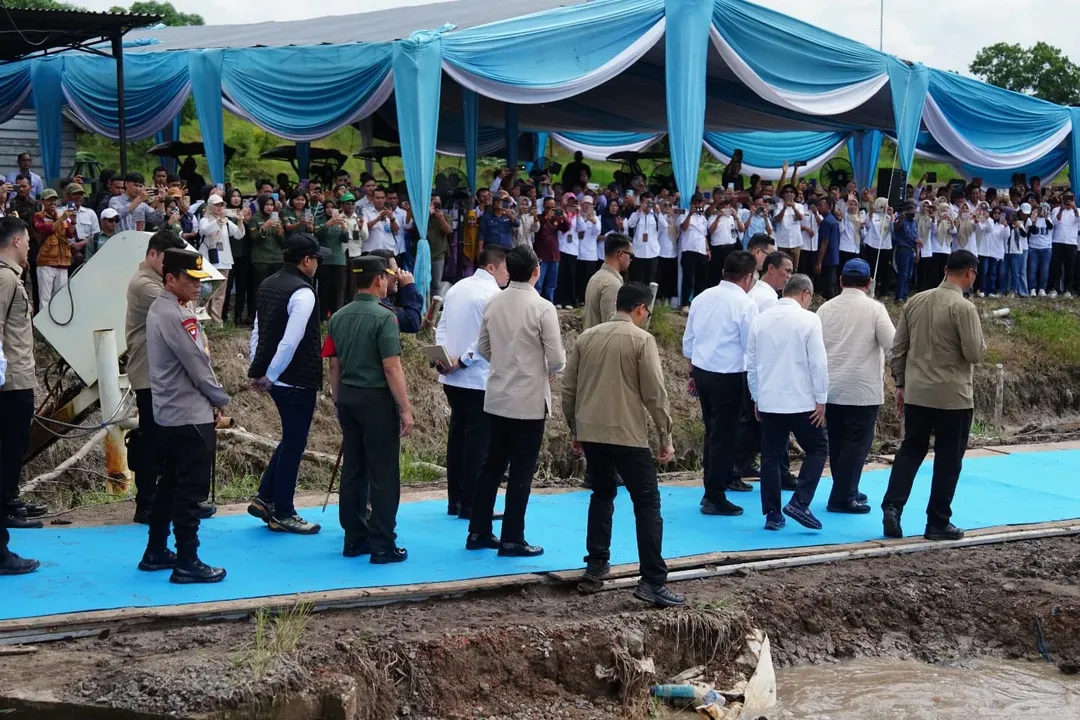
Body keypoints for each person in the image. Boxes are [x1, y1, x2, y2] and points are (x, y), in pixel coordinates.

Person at [563, 282, 683, 608]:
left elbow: (569, 389)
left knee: (601, 494)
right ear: (641, 308)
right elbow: (655, 395)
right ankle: (653, 580)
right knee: (647, 503)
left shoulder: (587, 337)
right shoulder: (641, 340)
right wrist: (666, 436)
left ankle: (596, 564)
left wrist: (575, 428)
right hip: (628, 434)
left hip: (592, 432)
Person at [467, 246, 565, 557]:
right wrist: (544, 368)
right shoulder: (543, 307)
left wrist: (506, 361)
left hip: (498, 395)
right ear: (536, 270)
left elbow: (483, 348)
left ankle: (478, 531)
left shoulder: (494, 302)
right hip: (528, 399)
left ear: (508, 271)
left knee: (491, 465)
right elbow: (557, 358)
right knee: (521, 471)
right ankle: (512, 538)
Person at [140, 248, 230, 584]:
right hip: (190, 413)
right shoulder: (177, 316)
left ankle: (156, 550)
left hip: (169, 412)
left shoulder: (162, 308)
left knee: (168, 485)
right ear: (170, 279)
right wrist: (220, 398)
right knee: (190, 491)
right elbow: (197, 365)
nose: (198, 286)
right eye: (191, 279)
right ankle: (187, 560)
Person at [883, 249, 985, 542]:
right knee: (948, 459)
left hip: (917, 393)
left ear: (945, 269)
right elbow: (973, 353)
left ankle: (892, 507)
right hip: (953, 395)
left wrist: (901, 383)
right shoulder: (964, 307)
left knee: (910, 450)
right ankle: (937, 521)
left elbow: (898, 349)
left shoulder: (916, 301)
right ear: (970, 273)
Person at [324, 254, 413, 564]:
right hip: (376, 400)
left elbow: (333, 364)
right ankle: (383, 544)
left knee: (354, 469)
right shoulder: (384, 317)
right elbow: (392, 367)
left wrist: (338, 399)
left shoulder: (338, 316)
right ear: (379, 279)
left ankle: (354, 538)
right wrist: (405, 408)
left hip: (348, 398)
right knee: (383, 473)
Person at [247, 234, 330, 534]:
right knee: (295, 443)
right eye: (317, 258)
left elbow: (258, 330)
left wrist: (258, 368)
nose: (318, 264)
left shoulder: (268, 283)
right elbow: (290, 341)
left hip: (276, 374)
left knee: (291, 438)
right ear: (306, 260)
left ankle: (266, 497)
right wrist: (270, 374)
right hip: (295, 377)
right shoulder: (303, 292)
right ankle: (284, 511)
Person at [125, 228, 202, 525]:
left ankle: (170, 501)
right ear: (153, 254)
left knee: (169, 441)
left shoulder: (158, 282)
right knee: (152, 441)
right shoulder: (146, 285)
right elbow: (182, 306)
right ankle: (147, 504)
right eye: (167, 261)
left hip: (164, 373)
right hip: (149, 373)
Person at [747, 274, 829, 531]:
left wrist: (756, 397)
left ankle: (772, 513)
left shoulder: (760, 320)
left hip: (770, 399)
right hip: (801, 400)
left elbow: (751, 364)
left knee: (770, 457)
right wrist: (821, 398)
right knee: (818, 448)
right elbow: (818, 363)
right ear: (806, 294)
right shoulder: (809, 319)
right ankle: (800, 501)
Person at [435, 245, 509, 520]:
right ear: (491, 267)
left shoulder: (456, 288)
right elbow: (486, 339)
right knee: (478, 443)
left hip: (452, 377)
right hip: (477, 378)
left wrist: (443, 356)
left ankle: (455, 500)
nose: (508, 274)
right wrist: (463, 360)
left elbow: (442, 326)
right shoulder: (494, 295)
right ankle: (473, 504)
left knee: (457, 439)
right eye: (505, 268)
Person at [683, 251, 758, 517]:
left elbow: (689, 340)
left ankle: (713, 489)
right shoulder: (745, 304)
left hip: (703, 371)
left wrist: (692, 373)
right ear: (748, 278)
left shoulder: (702, 297)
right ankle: (715, 494)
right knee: (724, 437)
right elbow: (751, 346)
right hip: (728, 375)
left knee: (713, 434)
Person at [816, 259, 895, 514]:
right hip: (862, 389)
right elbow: (892, 345)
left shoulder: (825, 309)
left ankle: (846, 487)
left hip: (831, 388)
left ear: (841, 281)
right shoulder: (875, 309)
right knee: (857, 445)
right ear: (869, 283)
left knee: (838, 443)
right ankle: (842, 496)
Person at [0, 216, 45, 542]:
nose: (29, 247)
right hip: (11, 379)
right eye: (28, 241)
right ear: (16, 241)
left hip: (20, 374)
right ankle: (4, 507)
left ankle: (9, 498)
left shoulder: (12, 276)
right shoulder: (5, 279)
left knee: (15, 445)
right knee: (10, 446)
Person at [199, 194, 247, 323]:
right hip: (209, 259)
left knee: (220, 293)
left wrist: (240, 221)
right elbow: (205, 231)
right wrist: (217, 221)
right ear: (210, 206)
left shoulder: (226, 221)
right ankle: (204, 319)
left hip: (224, 260)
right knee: (206, 291)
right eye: (216, 205)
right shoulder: (205, 219)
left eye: (221, 205)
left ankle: (216, 320)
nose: (219, 207)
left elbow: (238, 234)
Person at [32, 188, 76, 311]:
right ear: (42, 202)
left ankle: (58, 321)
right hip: (46, 262)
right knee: (45, 299)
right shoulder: (38, 216)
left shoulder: (62, 216)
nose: (52, 203)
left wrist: (73, 222)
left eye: (54, 200)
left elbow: (70, 234)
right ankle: (42, 323)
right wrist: (62, 219)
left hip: (63, 262)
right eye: (49, 200)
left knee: (60, 298)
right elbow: (47, 229)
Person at [366, 248, 423, 333]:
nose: (398, 277)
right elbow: (412, 323)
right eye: (396, 272)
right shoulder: (382, 307)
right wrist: (409, 287)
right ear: (380, 276)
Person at [583, 233, 632, 330]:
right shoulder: (612, 284)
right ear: (621, 254)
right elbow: (611, 327)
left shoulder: (596, 277)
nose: (631, 260)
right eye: (631, 255)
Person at [250, 194, 286, 292]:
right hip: (261, 259)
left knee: (276, 288)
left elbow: (282, 242)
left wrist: (279, 232)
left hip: (276, 259)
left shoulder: (277, 219)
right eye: (267, 204)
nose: (269, 207)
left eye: (271, 205)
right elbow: (254, 238)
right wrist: (265, 227)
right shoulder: (255, 219)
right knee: (261, 288)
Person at [679, 195, 710, 309]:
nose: (698, 205)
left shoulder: (703, 218)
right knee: (688, 279)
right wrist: (690, 215)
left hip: (701, 251)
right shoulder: (684, 213)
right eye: (696, 202)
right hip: (689, 250)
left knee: (700, 279)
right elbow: (683, 228)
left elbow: (704, 235)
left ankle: (697, 304)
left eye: (700, 202)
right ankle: (684, 303)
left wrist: (707, 249)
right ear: (691, 203)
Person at [814, 197, 841, 299]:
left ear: (828, 206)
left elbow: (825, 242)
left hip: (828, 256)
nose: (818, 207)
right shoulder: (832, 219)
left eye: (821, 205)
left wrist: (819, 262)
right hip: (834, 256)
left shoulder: (826, 221)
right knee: (832, 283)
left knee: (829, 284)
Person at [363, 187, 398, 254]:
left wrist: (392, 219)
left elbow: (396, 230)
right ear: (372, 199)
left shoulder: (390, 212)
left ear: (385, 199)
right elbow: (363, 229)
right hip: (371, 250)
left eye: (382, 198)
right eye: (377, 198)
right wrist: (377, 219)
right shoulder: (365, 212)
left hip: (389, 249)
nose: (380, 200)